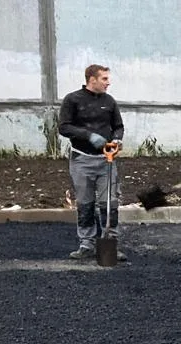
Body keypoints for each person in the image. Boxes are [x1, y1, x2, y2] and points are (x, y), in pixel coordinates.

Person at [58, 64, 126, 260]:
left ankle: (110, 243)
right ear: (92, 79)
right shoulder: (73, 100)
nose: (108, 82)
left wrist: (117, 139)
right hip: (82, 159)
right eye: (104, 79)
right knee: (85, 203)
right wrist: (88, 136)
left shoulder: (109, 101)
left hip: (107, 160)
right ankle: (86, 244)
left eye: (108, 78)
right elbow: (64, 127)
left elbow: (118, 126)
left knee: (109, 204)